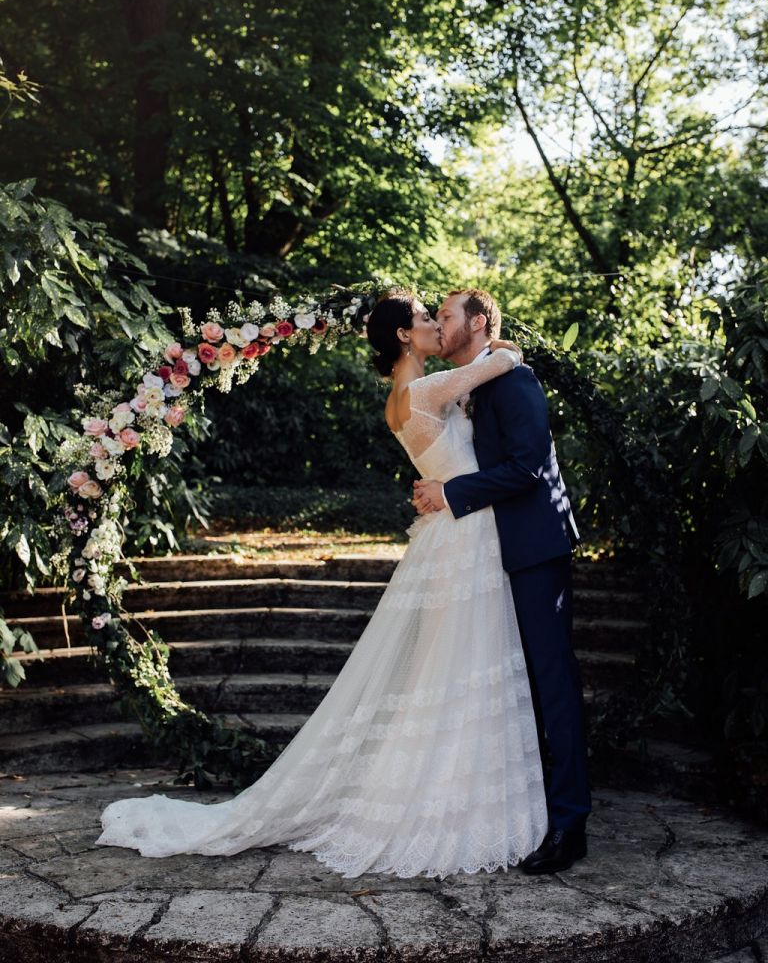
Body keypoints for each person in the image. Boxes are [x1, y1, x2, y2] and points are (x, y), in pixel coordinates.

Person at [97, 290, 547, 878]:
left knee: (458, 668)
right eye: (423, 319)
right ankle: (445, 801)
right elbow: (499, 364)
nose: (435, 324)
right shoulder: (420, 390)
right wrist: (508, 349)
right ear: (405, 338)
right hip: (464, 540)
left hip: (458, 532)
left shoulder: (411, 394)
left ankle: (456, 786)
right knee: (461, 665)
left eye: (440, 316)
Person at [413, 289, 591, 875]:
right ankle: (535, 810)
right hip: (495, 554)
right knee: (521, 683)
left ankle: (570, 826)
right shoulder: (479, 381)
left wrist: (451, 494)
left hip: (536, 549)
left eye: (445, 315)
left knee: (552, 683)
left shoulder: (515, 383)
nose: (439, 325)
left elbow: (528, 467)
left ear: (480, 321)